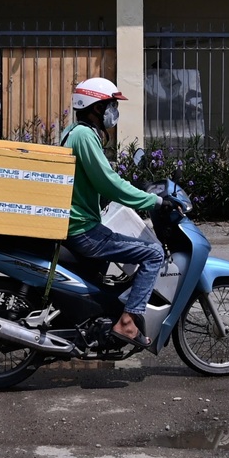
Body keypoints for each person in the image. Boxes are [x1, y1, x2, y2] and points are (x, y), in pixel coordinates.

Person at [62, 77, 167, 343]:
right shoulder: (84, 135)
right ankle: (128, 322)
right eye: (111, 104)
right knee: (153, 254)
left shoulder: (75, 132)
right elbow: (108, 183)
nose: (113, 111)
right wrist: (152, 200)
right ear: (97, 107)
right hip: (82, 229)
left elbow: (99, 182)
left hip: (78, 223)